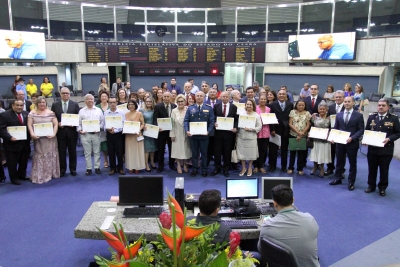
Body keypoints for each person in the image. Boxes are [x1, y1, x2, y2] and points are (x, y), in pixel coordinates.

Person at [258, 185, 320, 267]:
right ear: (293, 200)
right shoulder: (310, 219)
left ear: (275, 204)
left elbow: (261, 248)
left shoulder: (267, 226)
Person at [364, 99, 400, 196]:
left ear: (388, 107)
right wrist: (365, 140)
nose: (380, 107)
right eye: (379, 105)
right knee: (372, 169)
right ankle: (371, 185)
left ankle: (382, 187)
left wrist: (389, 138)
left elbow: (398, 133)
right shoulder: (372, 117)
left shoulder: (393, 118)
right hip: (372, 149)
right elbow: (367, 130)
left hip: (386, 150)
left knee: (384, 170)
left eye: (383, 105)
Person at [329, 97, 364, 191]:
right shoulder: (339, 115)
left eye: (349, 102)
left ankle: (351, 181)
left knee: (352, 163)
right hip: (340, 143)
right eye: (345, 102)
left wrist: (352, 138)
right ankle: (337, 178)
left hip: (352, 143)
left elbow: (361, 130)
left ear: (353, 103)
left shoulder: (358, 115)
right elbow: (336, 128)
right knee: (339, 162)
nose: (347, 103)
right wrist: (332, 137)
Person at [27, 96, 60, 184]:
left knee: (50, 154)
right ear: (37, 104)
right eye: (40, 102)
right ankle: (40, 174)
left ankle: (50, 173)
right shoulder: (32, 113)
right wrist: (32, 134)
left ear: (46, 103)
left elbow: (56, 124)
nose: (42, 104)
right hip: (38, 139)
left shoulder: (51, 113)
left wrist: (53, 133)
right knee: (40, 155)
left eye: (43, 102)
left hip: (50, 139)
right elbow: (29, 125)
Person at [184, 91, 215, 177]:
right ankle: (194, 169)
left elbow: (212, 121)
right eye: (197, 96)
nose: (199, 97)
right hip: (193, 136)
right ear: (195, 97)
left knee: (204, 154)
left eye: (201, 96)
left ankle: (204, 169)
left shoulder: (209, 108)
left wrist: (208, 131)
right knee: (194, 154)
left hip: (204, 136)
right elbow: (186, 120)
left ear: (204, 97)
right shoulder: (190, 108)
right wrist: (187, 130)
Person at [51, 87, 80, 177]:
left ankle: (73, 169)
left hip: (72, 132)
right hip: (60, 133)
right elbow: (52, 118)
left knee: (72, 152)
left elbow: (78, 118)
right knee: (61, 152)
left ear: (69, 94)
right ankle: (62, 169)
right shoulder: (55, 105)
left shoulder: (75, 104)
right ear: (60, 94)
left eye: (67, 93)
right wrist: (57, 124)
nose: (65, 95)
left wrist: (74, 124)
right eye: (63, 93)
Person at [0, 100, 31, 185]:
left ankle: (22, 175)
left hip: (24, 143)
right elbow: (1, 129)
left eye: (21, 105)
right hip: (11, 144)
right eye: (17, 105)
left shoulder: (26, 114)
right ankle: (14, 178)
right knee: (12, 163)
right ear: (12, 105)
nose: (19, 107)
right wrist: (9, 137)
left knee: (24, 161)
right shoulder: (4, 115)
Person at [211, 92, 238, 177]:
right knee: (217, 152)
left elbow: (236, 119)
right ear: (220, 97)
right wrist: (214, 123)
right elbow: (213, 117)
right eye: (223, 96)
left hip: (229, 134)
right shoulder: (216, 106)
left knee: (227, 152)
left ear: (229, 98)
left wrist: (236, 128)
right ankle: (217, 168)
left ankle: (226, 168)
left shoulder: (234, 107)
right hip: (218, 133)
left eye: (226, 97)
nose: (225, 98)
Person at [78, 94, 105, 176]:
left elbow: (102, 122)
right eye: (88, 99)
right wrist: (80, 130)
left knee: (97, 152)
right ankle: (88, 168)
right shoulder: (81, 111)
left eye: (91, 99)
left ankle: (97, 167)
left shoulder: (98, 110)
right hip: (85, 135)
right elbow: (78, 123)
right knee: (87, 153)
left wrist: (99, 128)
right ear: (85, 101)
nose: (90, 100)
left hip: (96, 134)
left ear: (94, 100)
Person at [268, 89, 294, 172]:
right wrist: (272, 129)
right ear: (277, 95)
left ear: (286, 96)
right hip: (275, 130)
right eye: (280, 94)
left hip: (286, 130)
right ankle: (272, 166)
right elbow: (270, 118)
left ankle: (284, 167)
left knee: (284, 150)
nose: (282, 95)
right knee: (273, 150)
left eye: (283, 94)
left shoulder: (290, 105)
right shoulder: (272, 105)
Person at [237, 99, 262, 177]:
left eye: (250, 104)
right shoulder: (241, 114)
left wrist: (251, 129)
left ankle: (250, 167)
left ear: (253, 106)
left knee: (251, 153)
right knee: (242, 153)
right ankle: (244, 168)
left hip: (251, 137)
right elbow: (238, 124)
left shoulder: (256, 115)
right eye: (247, 104)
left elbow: (259, 126)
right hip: (241, 136)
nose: (249, 106)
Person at [153, 92, 177, 172]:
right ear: (162, 97)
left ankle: (171, 164)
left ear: (171, 97)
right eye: (165, 96)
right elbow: (155, 119)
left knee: (172, 148)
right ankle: (160, 165)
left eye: (168, 96)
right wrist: (158, 127)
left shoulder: (174, 106)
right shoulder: (158, 106)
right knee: (161, 149)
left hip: (171, 131)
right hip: (161, 131)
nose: (166, 98)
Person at [288, 99, 311, 175]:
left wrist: (302, 133)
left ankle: (300, 168)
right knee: (292, 153)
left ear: (305, 106)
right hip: (293, 135)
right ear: (296, 105)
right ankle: (290, 167)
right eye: (299, 105)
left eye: (302, 105)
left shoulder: (307, 113)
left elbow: (308, 125)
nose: (301, 106)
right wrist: (298, 132)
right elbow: (290, 124)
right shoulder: (292, 112)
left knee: (301, 153)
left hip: (303, 135)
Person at [308, 101, 331, 178]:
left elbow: (332, 129)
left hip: (325, 140)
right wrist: (309, 133)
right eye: (320, 109)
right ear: (318, 110)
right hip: (315, 139)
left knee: (322, 155)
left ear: (326, 110)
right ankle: (314, 168)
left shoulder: (330, 118)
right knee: (315, 154)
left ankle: (321, 169)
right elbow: (310, 125)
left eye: (323, 109)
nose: (322, 110)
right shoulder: (314, 117)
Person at [325, 90, 345, 175]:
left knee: (341, 154)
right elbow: (328, 121)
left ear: (343, 98)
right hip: (332, 132)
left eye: (340, 97)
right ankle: (330, 168)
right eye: (336, 97)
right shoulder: (331, 107)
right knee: (331, 152)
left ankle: (341, 170)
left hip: (342, 133)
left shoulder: (346, 106)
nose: (338, 98)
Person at [170, 94, 191, 174]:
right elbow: (171, 124)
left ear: (185, 102)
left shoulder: (188, 109)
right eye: (178, 101)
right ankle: (178, 165)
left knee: (186, 150)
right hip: (176, 133)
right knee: (177, 150)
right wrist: (172, 134)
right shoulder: (174, 111)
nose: (180, 103)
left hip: (186, 133)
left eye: (182, 101)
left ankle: (185, 164)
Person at [104, 96, 126, 175]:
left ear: (117, 103)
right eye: (111, 102)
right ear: (108, 103)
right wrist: (108, 129)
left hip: (119, 135)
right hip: (109, 135)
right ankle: (112, 168)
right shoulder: (106, 112)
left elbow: (123, 124)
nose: (112, 104)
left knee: (120, 152)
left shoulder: (121, 112)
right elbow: (104, 124)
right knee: (111, 152)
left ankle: (120, 168)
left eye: (114, 102)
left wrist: (115, 130)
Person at [124, 100, 145, 174]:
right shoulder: (126, 114)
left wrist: (138, 130)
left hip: (137, 135)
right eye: (129, 104)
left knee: (137, 151)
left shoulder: (139, 113)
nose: (130, 106)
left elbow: (143, 124)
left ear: (135, 105)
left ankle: (137, 167)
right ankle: (130, 167)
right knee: (130, 151)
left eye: (132, 104)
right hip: (129, 136)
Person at [254, 95, 272, 174]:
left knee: (263, 150)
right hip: (257, 131)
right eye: (261, 99)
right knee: (256, 149)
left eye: (264, 99)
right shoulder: (255, 108)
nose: (263, 100)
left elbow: (271, 119)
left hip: (266, 131)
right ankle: (255, 166)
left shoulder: (268, 109)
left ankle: (261, 165)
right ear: (259, 100)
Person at [140, 96, 158, 172]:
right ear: (145, 102)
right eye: (147, 101)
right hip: (146, 132)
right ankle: (146, 164)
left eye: (150, 101)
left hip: (153, 132)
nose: (148, 103)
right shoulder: (142, 110)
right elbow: (140, 121)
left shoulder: (155, 110)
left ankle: (152, 162)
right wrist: (142, 126)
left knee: (153, 148)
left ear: (152, 102)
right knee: (146, 149)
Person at [96, 91, 110, 169]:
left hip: (111, 129)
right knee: (104, 145)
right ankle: (106, 160)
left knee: (111, 145)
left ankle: (112, 160)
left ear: (108, 98)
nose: (104, 98)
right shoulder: (97, 107)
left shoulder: (111, 105)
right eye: (102, 96)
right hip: (101, 130)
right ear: (100, 98)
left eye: (105, 96)